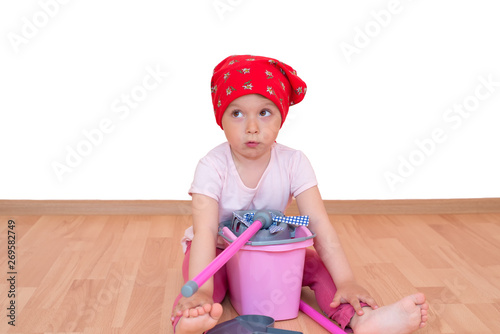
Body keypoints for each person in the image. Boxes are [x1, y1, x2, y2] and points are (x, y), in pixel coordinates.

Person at [171, 55, 428, 334]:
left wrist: (347, 281)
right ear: (220, 118)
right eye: (237, 113)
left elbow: (318, 225)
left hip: (272, 256)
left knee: (316, 267)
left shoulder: (294, 162)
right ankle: (188, 320)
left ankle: (359, 318)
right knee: (205, 285)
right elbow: (206, 231)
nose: (252, 127)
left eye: (265, 112)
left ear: (282, 116)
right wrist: (203, 290)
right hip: (220, 252)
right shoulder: (211, 166)